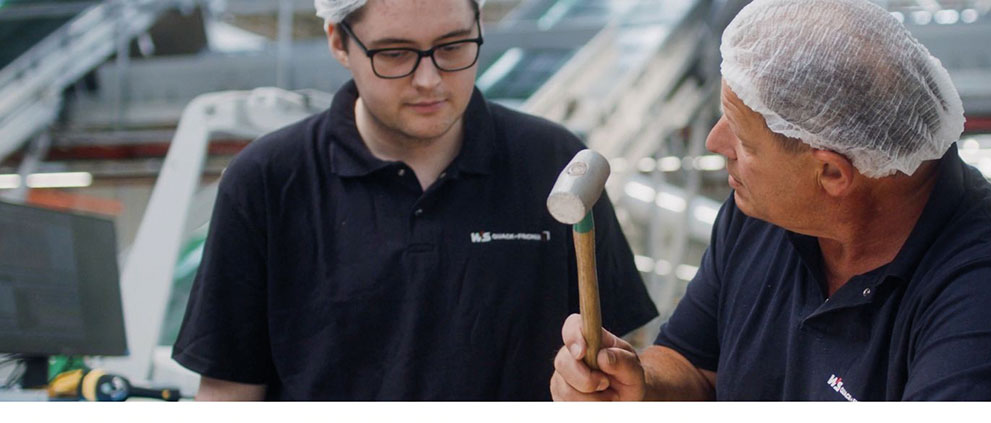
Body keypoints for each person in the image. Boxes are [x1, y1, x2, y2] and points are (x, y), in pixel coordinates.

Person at [550, 0, 991, 401]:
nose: (715, 145)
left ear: (831, 172)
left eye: (741, 137)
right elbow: (694, 363)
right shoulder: (758, 218)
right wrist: (638, 381)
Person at [173, 0, 657, 400]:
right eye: (395, 54)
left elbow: (627, 353)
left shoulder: (555, 163)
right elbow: (228, 392)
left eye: (452, 46)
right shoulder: (266, 182)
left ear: (479, 25)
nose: (429, 79)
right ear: (338, 41)